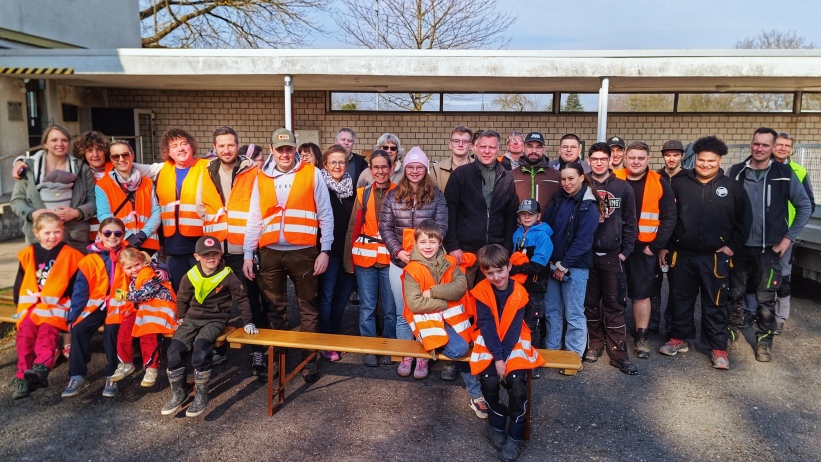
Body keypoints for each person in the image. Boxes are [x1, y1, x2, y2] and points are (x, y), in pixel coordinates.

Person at [243, 128, 333, 383]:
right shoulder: (261, 177)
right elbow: (254, 218)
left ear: (295, 149)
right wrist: (249, 254)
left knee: (307, 307)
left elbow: (325, 215)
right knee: (275, 308)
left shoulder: (312, 173)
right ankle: (277, 357)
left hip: (303, 252)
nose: (285, 153)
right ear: (271, 149)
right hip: (269, 253)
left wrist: (324, 250)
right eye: (280, 149)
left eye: (289, 149)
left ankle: (309, 359)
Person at [658, 136, 749, 370]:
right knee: (680, 298)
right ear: (694, 159)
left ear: (720, 161)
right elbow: (669, 217)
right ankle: (679, 338)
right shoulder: (679, 184)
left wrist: (732, 246)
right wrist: (666, 245)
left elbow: (744, 221)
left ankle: (717, 347)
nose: (705, 164)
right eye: (701, 160)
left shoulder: (732, 187)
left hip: (715, 257)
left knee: (715, 303)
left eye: (711, 160)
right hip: (683, 254)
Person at [727, 127, 811, 362]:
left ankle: (764, 342)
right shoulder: (735, 172)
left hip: (770, 249)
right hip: (739, 247)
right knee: (734, 293)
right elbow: (723, 208)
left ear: (773, 147)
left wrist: (788, 238)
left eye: (765, 145)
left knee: (766, 299)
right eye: (756, 144)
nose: (759, 149)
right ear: (751, 144)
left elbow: (805, 206)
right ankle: (730, 332)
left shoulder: (784, 174)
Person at [401, 219, 488, 418]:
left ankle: (478, 395)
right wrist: (445, 301)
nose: (428, 246)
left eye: (432, 242)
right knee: (460, 349)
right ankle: (477, 394)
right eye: (423, 242)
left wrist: (432, 292)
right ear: (415, 243)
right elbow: (415, 304)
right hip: (428, 324)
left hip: (452, 320)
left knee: (473, 345)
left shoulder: (450, 261)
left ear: (440, 242)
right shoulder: (412, 270)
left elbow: (460, 287)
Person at [163, 235, 257, 417]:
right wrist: (182, 318)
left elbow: (242, 300)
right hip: (191, 318)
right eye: (206, 255)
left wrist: (248, 321)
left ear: (221, 255)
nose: (211, 258)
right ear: (197, 257)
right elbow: (182, 298)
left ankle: (201, 395)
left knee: (201, 348)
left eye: (215, 254)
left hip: (215, 319)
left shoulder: (227, 275)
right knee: (174, 349)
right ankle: (179, 392)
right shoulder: (191, 275)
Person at [470, 244, 546, 462]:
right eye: (490, 273)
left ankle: (515, 434)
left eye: (500, 271)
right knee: (489, 378)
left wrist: (503, 359)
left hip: (514, 339)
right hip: (490, 338)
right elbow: (486, 326)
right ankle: (496, 421)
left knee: (517, 381)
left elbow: (513, 328)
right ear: (483, 272)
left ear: (509, 266)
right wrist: (498, 358)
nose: (496, 277)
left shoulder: (520, 292)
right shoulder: (482, 291)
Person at [378, 147, 448, 379]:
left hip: (427, 265)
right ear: (405, 169)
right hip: (400, 264)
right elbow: (385, 227)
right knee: (402, 313)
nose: (415, 171)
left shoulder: (437, 196)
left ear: (425, 169)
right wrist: (398, 251)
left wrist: (422, 253)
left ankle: (423, 357)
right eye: (411, 167)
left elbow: (442, 227)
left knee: (425, 313)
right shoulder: (393, 195)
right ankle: (406, 355)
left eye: (419, 167)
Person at [206, 126, 268, 377]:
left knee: (250, 300)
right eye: (221, 145)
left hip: (244, 250)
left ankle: (257, 351)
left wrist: (251, 252)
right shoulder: (206, 171)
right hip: (215, 250)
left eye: (230, 144)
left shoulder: (253, 172)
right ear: (215, 147)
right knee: (216, 303)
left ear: (237, 145)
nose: (226, 149)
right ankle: (219, 345)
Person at [11, 212, 84, 399]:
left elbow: (76, 285)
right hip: (31, 306)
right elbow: (20, 281)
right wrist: (18, 303)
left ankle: (41, 369)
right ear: (37, 233)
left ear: (63, 231)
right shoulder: (29, 253)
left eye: (57, 232)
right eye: (47, 233)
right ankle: (23, 378)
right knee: (24, 337)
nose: (53, 236)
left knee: (46, 334)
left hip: (55, 307)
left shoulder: (70, 255)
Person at [614, 141, 677, 359]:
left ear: (648, 160)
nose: (636, 161)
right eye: (632, 157)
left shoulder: (659, 183)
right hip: (617, 246)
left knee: (641, 294)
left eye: (641, 158)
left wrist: (655, 246)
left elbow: (669, 218)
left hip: (644, 248)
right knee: (614, 293)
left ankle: (641, 337)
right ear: (624, 158)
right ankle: (615, 335)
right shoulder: (614, 178)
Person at [583, 143, 639, 375]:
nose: (598, 163)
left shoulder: (623, 188)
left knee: (615, 304)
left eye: (602, 159)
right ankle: (595, 345)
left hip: (612, 256)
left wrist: (625, 251)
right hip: (586, 256)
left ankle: (618, 353)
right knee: (589, 304)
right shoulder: (581, 183)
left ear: (611, 160)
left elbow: (630, 221)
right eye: (594, 159)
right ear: (589, 159)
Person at [542, 162, 603, 362]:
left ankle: (574, 355)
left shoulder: (589, 205)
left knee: (574, 313)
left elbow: (583, 242)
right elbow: (546, 227)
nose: (567, 183)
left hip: (574, 268)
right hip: (553, 264)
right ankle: (552, 351)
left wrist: (563, 265)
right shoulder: (559, 200)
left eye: (571, 179)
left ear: (582, 178)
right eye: (563, 179)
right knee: (552, 310)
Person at [62, 218, 129, 398]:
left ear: (123, 235)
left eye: (117, 233)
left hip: (121, 304)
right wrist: (73, 317)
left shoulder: (130, 253)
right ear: (99, 235)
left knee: (112, 329)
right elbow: (80, 291)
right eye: (107, 233)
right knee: (79, 329)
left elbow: (147, 267)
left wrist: (160, 269)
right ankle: (77, 374)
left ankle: (113, 374)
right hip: (97, 305)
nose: (112, 236)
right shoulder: (89, 259)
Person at [444, 129, 519, 287]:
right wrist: (453, 245)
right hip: (465, 252)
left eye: (491, 147)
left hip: (494, 253)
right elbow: (449, 212)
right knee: (462, 298)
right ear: (475, 148)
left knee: (488, 302)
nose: (486, 151)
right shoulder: (460, 175)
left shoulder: (507, 178)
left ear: (499, 149)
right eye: (483, 146)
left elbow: (510, 216)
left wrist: (506, 248)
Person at [344, 150, 398, 367]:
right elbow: (352, 228)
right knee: (367, 306)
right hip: (366, 259)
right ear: (370, 169)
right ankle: (369, 348)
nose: (380, 171)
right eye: (375, 167)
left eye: (384, 167)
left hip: (391, 261)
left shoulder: (399, 192)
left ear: (391, 168)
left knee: (390, 307)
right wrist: (349, 260)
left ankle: (389, 347)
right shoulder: (362, 194)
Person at [155, 128, 226, 292]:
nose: (180, 148)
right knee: (180, 291)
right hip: (172, 245)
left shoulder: (208, 166)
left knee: (206, 288)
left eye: (184, 143)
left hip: (201, 244)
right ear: (168, 152)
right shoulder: (160, 171)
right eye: (174, 146)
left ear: (192, 146)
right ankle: (183, 318)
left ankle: (209, 317)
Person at [11, 124, 97, 253]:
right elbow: (17, 200)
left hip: (74, 238)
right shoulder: (28, 168)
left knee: (75, 273)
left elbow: (93, 200)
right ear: (45, 144)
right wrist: (33, 214)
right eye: (54, 140)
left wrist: (76, 213)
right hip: (39, 239)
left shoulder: (81, 168)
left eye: (64, 140)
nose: (60, 144)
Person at [770, 132, 815, 334]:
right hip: (761, 234)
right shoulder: (762, 167)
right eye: (778, 144)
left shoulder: (799, 171)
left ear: (791, 149)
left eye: (786, 146)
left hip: (786, 235)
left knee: (783, 277)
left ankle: (780, 317)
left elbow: (808, 204)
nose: (782, 148)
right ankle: (754, 314)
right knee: (757, 276)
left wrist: (792, 231)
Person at [112, 248, 177, 387]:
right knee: (124, 331)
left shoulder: (149, 273)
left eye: (137, 264)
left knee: (148, 334)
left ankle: (151, 367)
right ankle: (126, 363)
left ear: (142, 261)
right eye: (129, 267)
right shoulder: (131, 279)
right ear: (123, 269)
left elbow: (146, 293)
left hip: (159, 311)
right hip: (143, 310)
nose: (134, 269)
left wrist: (125, 296)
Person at [317, 144, 357, 361]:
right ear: (325, 164)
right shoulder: (320, 187)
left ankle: (335, 336)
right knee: (326, 297)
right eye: (333, 162)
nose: (337, 166)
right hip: (328, 252)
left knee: (342, 298)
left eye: (341, 161)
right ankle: (325, 340)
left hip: (348, 253)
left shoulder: (353, 189)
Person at [648, 139, 689, 336]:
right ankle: (652, 323)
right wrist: (659, 243)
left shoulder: (690, 178)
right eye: (667, 155)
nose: (671, 158)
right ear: (663, 156)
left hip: (680, 243)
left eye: (675, 155)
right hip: (657, 240)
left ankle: (673, 326)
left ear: (682, 156)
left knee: (677, 288)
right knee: (653, 285)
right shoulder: (655, 177)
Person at [95, 141, 161, 253]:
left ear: (132, 155)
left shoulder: (148, 183)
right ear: (111, 160)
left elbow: (157, 211)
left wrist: (143, 234)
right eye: (116, 156)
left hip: (148, 243)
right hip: (119, 244)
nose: (121, 159)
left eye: (125, 155)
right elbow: (104, 215)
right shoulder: (103, 185)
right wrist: (128, 235)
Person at [510, 198, 553, 367]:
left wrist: (515, 269)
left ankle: (532, 360)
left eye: (531, 214)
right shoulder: (517, 233)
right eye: (523, 214)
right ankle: (517, 355)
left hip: (534, 287)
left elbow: (538, 264)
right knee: (516, 321)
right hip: (517, 286)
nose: (527, 217)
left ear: (538, 216)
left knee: (532, 323)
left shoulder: (543, 235)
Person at [510, 131, 561, 212]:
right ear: (523, 148)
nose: (534, 151)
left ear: (544, 149)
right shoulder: (511, 176)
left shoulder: (557, 176)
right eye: (530, 146)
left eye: (538, 147)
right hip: (518, 224)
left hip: (548, 224)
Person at [431, 126, 474, 192]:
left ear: (470, 146)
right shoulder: (437, 170)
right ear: (450, 145)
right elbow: (431, 197)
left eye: (465, 141)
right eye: (456, 141)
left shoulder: (480, 168)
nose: (460, 144)